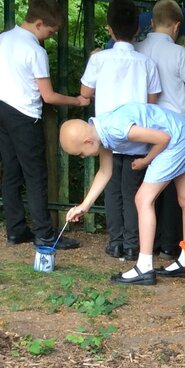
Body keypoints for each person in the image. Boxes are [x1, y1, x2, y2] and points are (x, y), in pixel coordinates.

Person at [60, 102, 185, 285]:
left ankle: (145, 267)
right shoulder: (99, 132)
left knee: (143, 199)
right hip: (182, 131)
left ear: (87, 142)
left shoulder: (115, 128)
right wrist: (84, 206)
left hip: (175, 138)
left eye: (81, 153)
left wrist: (145, 161)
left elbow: (163, 138)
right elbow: (105, 172)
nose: (83, 157)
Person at [0, 0, 89, 249]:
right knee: (36, 176)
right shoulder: (35, 51)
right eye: (50, 32)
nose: (49, 37)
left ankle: (16, 230)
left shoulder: (3, 39)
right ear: (38, 24)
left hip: (2, 109)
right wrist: (77, 101)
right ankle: (45, 234)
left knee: (11, 172)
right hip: (24, 115)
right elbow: (48, 96)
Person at [80, 0, 161, 261]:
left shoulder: (99, 59)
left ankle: (115, 243)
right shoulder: (146, 62)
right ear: (138, 28)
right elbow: (152, 103)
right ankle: (131, 245)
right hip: (137, 137)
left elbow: (84, 93)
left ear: (109, 29)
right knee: (132, 193)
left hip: (107, 136)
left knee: (112, 189)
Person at [136, 0, 185, 262]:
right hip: (180, 133)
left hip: (147, 130)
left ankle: (145, 255)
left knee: (147, 196)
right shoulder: (179, 53)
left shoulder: (138, 49)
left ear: (152, 21)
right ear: (177, 26)